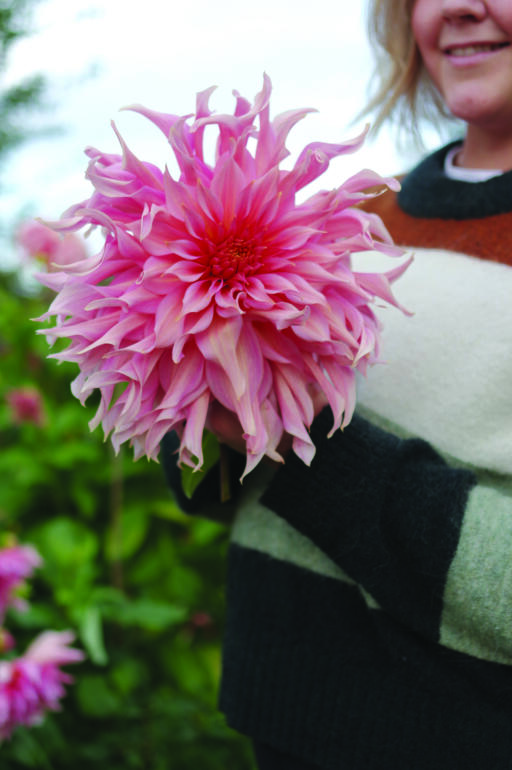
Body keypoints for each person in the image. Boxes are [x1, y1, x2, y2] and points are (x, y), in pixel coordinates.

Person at [161, 0, 512, 767]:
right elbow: (226, 489)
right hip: (281, 721)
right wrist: (184, 392)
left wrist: (302, 442)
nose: (461, 7)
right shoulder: (354, 216)